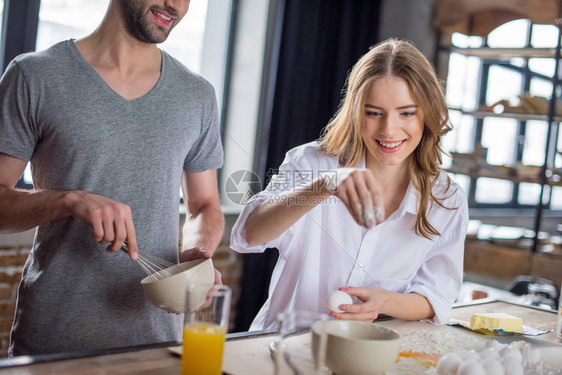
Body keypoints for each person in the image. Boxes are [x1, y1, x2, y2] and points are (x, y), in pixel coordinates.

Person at [0, 0, 224, 356]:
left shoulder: (197, 95)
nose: (176, 6)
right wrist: (68, 200)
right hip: (54, 344)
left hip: (159, 345)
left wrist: (198, 257)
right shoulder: (34, 75)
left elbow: (204, 205)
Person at [230, 39, 469, 331]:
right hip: (284, 344)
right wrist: (324, 186)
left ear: (427, 114)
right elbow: (250, 235)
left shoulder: (447, 198)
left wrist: (383, 302)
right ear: (357, 112)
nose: (389, 130)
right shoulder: (312, 163)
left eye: (406, 113)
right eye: (374, 113)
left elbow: (437, 296)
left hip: (369, 353)